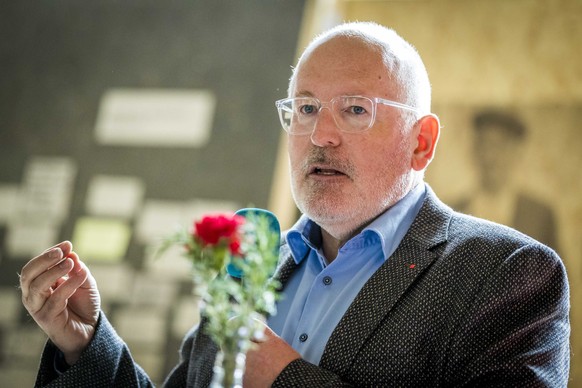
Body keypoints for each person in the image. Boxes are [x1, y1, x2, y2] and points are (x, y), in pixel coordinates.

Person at [20, 22, 570, 387]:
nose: (320, 135)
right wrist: (86, 344)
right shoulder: (250, 267)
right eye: (305, 108)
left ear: (421, 142)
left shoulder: (509, 273)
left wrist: (286, 379)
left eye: (355, 110)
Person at [454, 109, 560, 251]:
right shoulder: (452, 212)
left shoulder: (539, 216)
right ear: (473, 151)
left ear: (516, 153)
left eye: (500, 147)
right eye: (484, 145)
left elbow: (557, 271)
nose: (491, 157)